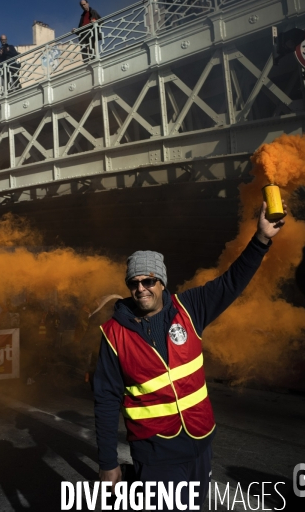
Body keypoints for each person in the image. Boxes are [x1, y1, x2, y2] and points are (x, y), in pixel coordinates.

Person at [94, 200, 287, 509]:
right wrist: (107, 462)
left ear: (162, 282)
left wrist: (262, 238)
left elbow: (232, 282)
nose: (141, 288)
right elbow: (105, 401)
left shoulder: (190, 308)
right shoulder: (113, 336)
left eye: (148, 281)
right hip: (155, 455)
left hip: (200, 442)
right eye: (134, 283)